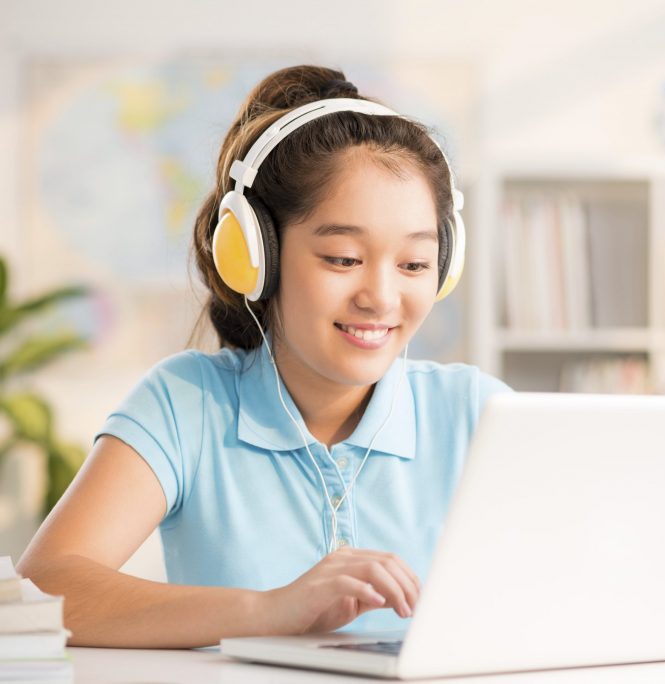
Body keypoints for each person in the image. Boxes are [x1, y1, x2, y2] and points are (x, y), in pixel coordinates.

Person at [16, 65, 511, 648]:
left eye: (413, 264)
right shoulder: (186, 404)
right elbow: (44, 589)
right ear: (257, 257)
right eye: (343, 259)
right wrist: (272, 610)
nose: (381, 297)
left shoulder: (478, 412)